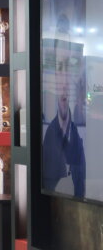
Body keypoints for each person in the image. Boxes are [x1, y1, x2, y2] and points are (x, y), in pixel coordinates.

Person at [43, 14, 86, 198]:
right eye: (59, 67)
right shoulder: (48, 138)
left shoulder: (78, 139)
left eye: (70, 66)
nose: (65, 78)